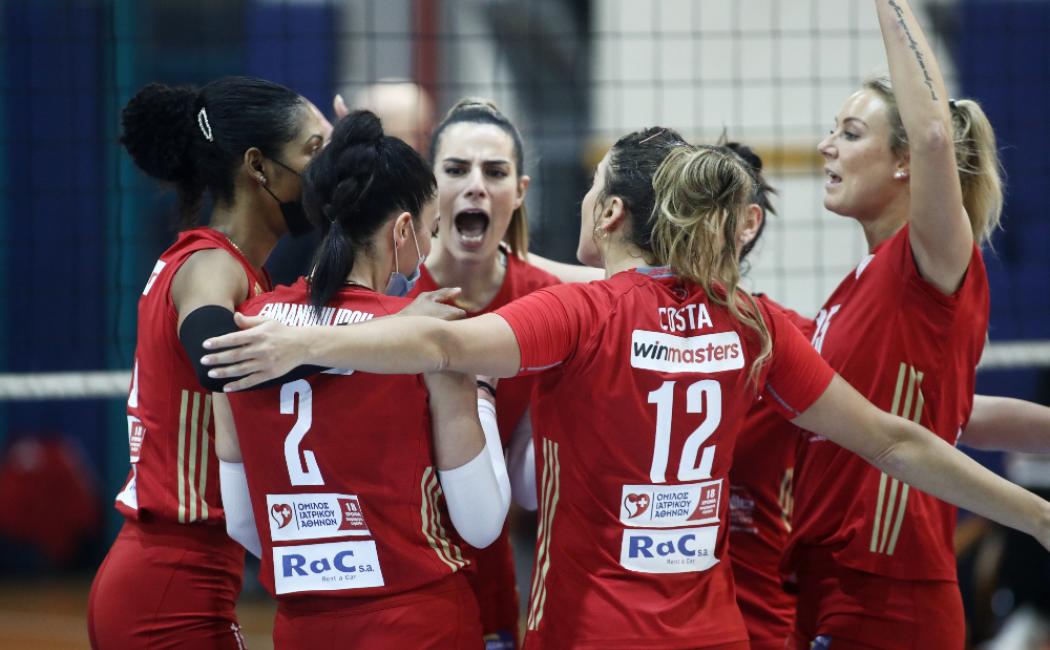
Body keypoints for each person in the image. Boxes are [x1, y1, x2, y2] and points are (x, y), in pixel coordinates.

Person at [199, 134, 1050, 649]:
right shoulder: (752, 324)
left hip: (589, 632)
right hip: (712, 633)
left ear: (609, 214)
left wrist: (302, 339)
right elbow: (897, 439)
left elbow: (444, 342)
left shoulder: (585, 315)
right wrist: (1037, 516)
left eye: (593, 187)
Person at [214, 110, 510, 649]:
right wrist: (483, 392)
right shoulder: (426, 338)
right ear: (403, 230)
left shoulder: (248, 329)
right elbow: (482, 522)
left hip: (302, 628)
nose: (429, 249)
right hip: (416, 623)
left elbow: (241, 522)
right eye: (430, 230)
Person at [780, 1, 1008, 647]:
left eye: (851, 134)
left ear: (905, 162)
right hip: (824, 582)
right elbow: (954, 410)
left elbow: (933, 133)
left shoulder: (930, 256)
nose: (827, 146)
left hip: (889, 589)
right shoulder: (853, 289)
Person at [86, 75, 328, 649]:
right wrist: (371, 343)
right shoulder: (211, 265)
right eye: (316, 151)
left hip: (180, 575)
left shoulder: (238, 267)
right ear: (259, 166)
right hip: (168, 586)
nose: (327, 171)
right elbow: (215, 355)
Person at [410, 97, 561, 648]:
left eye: (494, 173)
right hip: (393, 576)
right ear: (430, 187)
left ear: (519, 192)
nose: (475, 185)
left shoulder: (549, 301)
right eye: (456, 170)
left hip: (487, 574)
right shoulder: (389, 291)